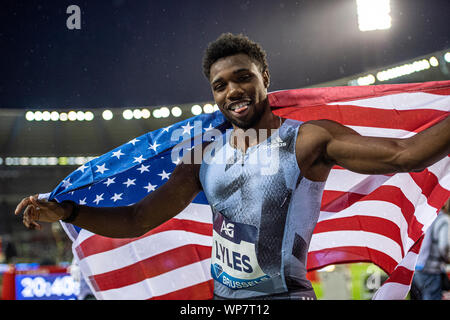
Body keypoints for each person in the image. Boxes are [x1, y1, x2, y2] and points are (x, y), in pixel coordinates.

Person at [14, 33, 450, 300]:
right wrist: (68, 212)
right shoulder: (203, 152)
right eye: (219, 85)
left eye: (243, 77)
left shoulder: (309, 138)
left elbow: (404, 155)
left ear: (265, 77)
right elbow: (137, 218)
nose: (233, 91)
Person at [412, 198, 449, 300]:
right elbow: (444, 247)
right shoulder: (443, 220)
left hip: (416, 269)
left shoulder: (426, 217)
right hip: (431, 270)